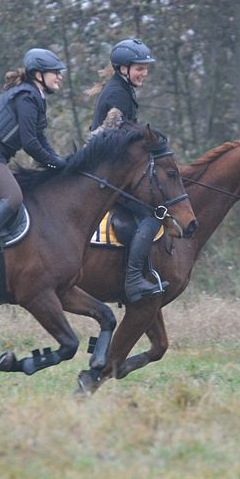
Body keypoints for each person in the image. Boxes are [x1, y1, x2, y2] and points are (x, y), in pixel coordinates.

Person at [0, 48, 67, 277]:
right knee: (13, 197)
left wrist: (60, 162)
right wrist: (55, 165)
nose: (59, 76)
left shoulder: (35, 96)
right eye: (54, 72)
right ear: (38, 74)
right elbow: (30, 143)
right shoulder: (27, 97)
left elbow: (40, 138)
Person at [88, 38, 166, 303]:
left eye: (145, 67)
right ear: (123, 68)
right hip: (107, 175)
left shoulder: (123, 89)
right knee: (151, 215)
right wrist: (146, 137)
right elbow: (114, 137)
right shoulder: (117, 94)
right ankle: (133, 280)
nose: (144, 72)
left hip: (113, 171)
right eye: (139, 68)